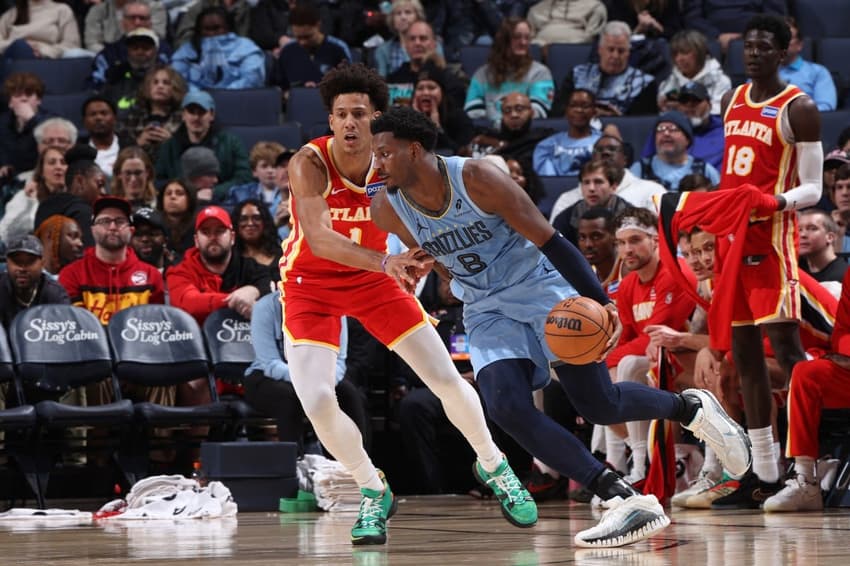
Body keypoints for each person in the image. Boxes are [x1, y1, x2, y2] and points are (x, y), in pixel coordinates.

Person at [370, 105, 752, 547]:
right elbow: (438, 259)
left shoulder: (477, 179)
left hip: (540, 289)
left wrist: (601, 302)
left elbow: (552, 241)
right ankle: (621, 497)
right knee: (505, 406)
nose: (377, 164)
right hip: (486, 307)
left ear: (414, 150)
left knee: (599, 406)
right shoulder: (387, 208)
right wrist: (427, 268)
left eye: (384, 153)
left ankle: (690, 408)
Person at [281, 63, 536, 546]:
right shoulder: (308, 164)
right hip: (311, 284)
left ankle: (494, 466)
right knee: (315, 399)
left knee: (443, 378)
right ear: (330, 122)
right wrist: (386, 260)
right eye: (341, 115)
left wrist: (432, 258)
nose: (351, 123)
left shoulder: (389, 163)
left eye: (360, 113)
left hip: (376, 280)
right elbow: (318, 238)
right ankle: (372, 489)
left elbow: (429, 216)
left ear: (376, 118)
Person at [701, 14, 824, 508]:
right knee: (744, 354)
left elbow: (813, 187)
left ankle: (807, 468)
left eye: (763, 47)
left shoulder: (800, 107)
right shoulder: (732, 98)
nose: (752, 53)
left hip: (773, 239)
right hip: (733, 238)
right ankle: (765, 470)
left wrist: (775, 203)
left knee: (788, 352)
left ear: (783, 50)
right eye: (748, 46)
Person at [244, 291, 369, 452]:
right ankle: (294, 464)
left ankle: (357, 467)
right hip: (268, 376)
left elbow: (339, 361)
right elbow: (270, 364)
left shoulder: (336, 309)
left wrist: (321, 382)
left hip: (319, 375)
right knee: (288, 397)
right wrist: (309, 381)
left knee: (350, 394)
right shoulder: (265, 307)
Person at [58, 195, 165, 325]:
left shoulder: (152, 276)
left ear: (131, 230)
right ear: (92, 229)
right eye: (105, 221)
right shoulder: (71, 275)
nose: (113, 227)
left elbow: (154, 329)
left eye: (120, 221)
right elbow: (74, 328)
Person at [167, 205, 271, 326]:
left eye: (220, 231)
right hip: (198, 341)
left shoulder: (251, 267)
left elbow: (269, 287)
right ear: (196, 240)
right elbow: (188, 303)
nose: (213, 237)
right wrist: (236, 299)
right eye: (205, 232)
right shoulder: (180, 270)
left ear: (232, 237)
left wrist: (254, 290)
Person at [154, 90, 252, 201]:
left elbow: (245, 177)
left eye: (201, 112)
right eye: (191, 112)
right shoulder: (169, 146)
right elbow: (158, 181)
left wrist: (215, 192)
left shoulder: (231, 143)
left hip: (222, 201)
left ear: (212, 115)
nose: (196, 118)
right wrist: (185, 192)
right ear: (183, 115)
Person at [464, 17, 554, 125]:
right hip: (490, 133)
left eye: (527, 38)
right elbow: (472, 111)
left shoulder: (540, 72)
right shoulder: (482, 73)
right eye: (517, 37)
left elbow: (539, 111)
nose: (523, 42)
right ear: (504, 40)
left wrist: (507, 123)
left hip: (526, 133)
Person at [555, 21, 656, 117]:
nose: (615, 56)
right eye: (610, 49)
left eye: (621, 51)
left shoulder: (643, 83)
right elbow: (557, 113)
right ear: (600, 50)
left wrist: (618, 119)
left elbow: (642, 123)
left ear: (628, 53)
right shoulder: (576, 75)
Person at [171, 6, 265, 91]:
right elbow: (177, 79)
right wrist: (200, 96)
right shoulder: (187, 50)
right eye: (207, 29)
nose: (211, 33)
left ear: (228, 28)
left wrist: (224, 95)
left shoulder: (246, 47)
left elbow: (252, 79)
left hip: (238, 100)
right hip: (195, 103)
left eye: (216, 28)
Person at [630, 110, 720, 192]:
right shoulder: (640, 169)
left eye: (672, 129)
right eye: (660, 129)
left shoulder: (705, 170)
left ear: (687, 139)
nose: (666, 134)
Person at [272, 2, 350, 93]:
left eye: (307, 37)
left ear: (318, 25)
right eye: (298, 37)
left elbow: (349, 86)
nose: (302, 42)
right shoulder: (287, 52)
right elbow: (276, 87)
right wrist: (287, 95)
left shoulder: (338, 49)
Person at [119, 64, 187, 162]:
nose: (160, 86)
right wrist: (138, 143)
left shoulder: (184, 119)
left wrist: (171, 144)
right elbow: (121, 155)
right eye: (155, 82)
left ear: (175, 88)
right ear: (148, 87)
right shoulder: (133, 118)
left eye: (166, 83)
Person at [0, 234, 68, 329]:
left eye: (30, 262)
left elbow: (64, 332)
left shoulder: (55, 293)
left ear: (42, 263)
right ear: (7, 263)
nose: (22, 268)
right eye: (17, 262)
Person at [658, 29, 731, 115]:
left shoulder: (721, 80)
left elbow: (719, 112)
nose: (679, 59)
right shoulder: (670, 81)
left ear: (700, 52)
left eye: (684, 52)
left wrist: (683, 109)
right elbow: (664, 114)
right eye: (675, 54)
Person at [533, 89, 601, 177]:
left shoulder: (603, 142)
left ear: (594, 111)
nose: (579, 110)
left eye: (585, 106)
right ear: (566, 110)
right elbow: (548, 181)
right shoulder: (546, 146)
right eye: (573, 105)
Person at [779, 16, 836, 113]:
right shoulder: (762, 70)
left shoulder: (817, 72)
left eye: (787, 38)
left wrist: (792, 114)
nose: (782, 43)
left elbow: (826, 106)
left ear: (799, 45)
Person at [798, 208, 848, 285]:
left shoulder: (845, 276)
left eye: (812, 228)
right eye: (799, 230)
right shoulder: (794, 273)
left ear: (830, 237)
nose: (802, 235)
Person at [130, 206, 168, 271]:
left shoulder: (179, 271)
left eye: (152, 234)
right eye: (138, 234)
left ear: (165, 239)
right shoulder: (121, 275)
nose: (144, 239)